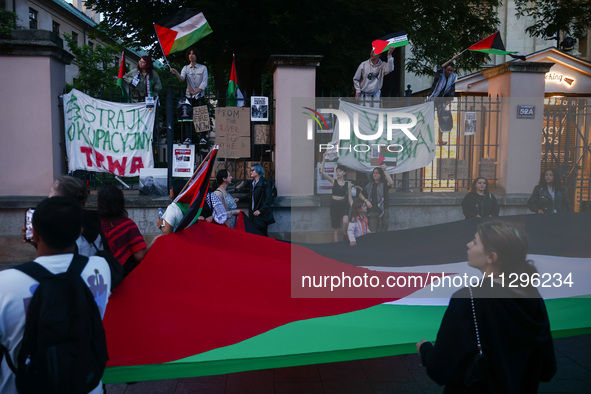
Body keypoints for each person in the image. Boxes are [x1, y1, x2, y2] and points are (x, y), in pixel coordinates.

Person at [417, 222, 556, 393]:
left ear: (491, 257)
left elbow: (440, 370)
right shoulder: (532, 296)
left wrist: (425, 350)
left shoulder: (468, 299)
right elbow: (547, 369)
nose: (468, 244)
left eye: (475, 242)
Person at [0, 197, 111, 394]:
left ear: (33, 234)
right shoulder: (100, 268)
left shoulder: (5, 283)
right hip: (87, 386)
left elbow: (46, 267)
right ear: (79, 232)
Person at [98, 185, 148, 277]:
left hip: (100, 275)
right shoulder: (127, 225)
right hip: (125, 276)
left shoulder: (94, 225)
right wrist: (155, 242)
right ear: (121, 203)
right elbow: (140, 255)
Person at [320, 153, 353, 242]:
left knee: (345, 222)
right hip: (334, 205)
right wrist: (324, 159)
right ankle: (336, 246)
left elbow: (350, 198)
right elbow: (322, 172)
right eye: (337, 171)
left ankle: (345, 236)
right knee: (336, 230)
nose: (338, 173)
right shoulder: (333, 181)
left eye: (340, 171)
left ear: (344, 173)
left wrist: (354, 208)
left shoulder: (348, 184)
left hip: (344, 204)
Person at [239, 164, 275, 236]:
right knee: (255, 234)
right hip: (253, 214)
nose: (251, 172)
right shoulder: (253, 184)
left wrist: (260, 211)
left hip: (261, 215)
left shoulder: (265, 183)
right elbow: (251, 196)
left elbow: (268, 200)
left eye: (253, 170)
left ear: (258, 172)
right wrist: (239, 199)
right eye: (251, 170)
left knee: (262, 235)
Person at [364, 164, 394, 232]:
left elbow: (391, 182)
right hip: (372, 211)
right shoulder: (370, 185)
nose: (375, 174)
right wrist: (366, 201)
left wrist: (384, 170)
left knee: (383, 231)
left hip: (383, 210)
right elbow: (361, 193)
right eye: (374, 173)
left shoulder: (384, 184)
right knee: (372, 231)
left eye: (377, 173)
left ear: (381, 174)